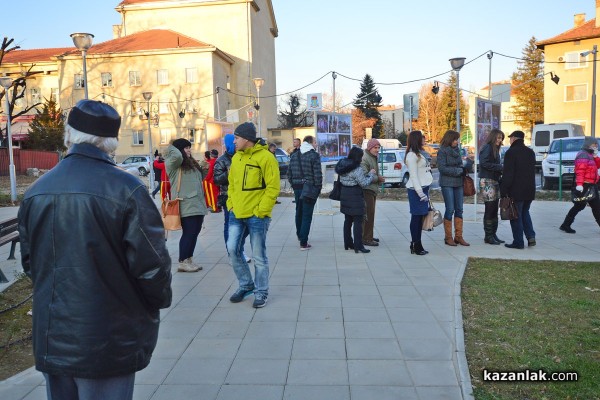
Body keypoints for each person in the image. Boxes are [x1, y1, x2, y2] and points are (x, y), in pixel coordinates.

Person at [17, 99, 172, 400]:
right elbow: (152, 268)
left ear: (69, 135)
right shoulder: (128, 190)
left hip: (55, 335)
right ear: (111, 142)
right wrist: (156, 302)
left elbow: (30, 263)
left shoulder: (37, 191)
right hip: (108, 336)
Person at [227, 122, 280, 308]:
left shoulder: (266, 157)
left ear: (247, 139)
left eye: (236, 138)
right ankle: (246, 284)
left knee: (258, 256)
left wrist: (261, 211)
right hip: (237, 213)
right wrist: (230, 204)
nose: (234, 141)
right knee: (233, 249)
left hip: (257, 215)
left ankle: (261, 291)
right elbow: (232, 184)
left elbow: (273, 187)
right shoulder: (236, 158)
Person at [165, 138, 208, 271]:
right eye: (186, 147)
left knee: (195, 232)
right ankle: (183, 262)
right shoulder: (174, 163)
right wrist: (173, 146)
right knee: (189, 233)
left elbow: (199, 179)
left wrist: (204, 169)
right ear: (178, 150)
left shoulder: (190, 163)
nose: (189, 150)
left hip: (197, 203)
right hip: (185, 203)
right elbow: (177, 155)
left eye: (189, 147)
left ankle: (189, 259)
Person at [213, 133, 252, 263]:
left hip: (244, 197)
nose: (236, 143)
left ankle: (238, 249)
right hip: (228, 197)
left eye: (237, 140)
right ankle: (233, 253)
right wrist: (228, 173)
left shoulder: (242, 156)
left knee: (246, 225)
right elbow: (216, 180)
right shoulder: (222, 160)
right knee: (231, 226)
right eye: (233, 141)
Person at [334, 146, 377, 253]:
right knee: (358, 220)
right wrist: (371, 174)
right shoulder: (356, 168)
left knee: (347, 220)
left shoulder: (343, 164)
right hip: (355, 196)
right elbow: (364, 183)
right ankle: (359, 246)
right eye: (361, 157)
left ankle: (348, 243)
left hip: (345, 194)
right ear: (358, 157)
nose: (362, 159)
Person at [500, 130, 536, 249]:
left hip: (516, 191)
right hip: (529, 190)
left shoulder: (511, 152)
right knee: (525, 213)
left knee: (515, 215)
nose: (509, 140)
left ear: (514, 139)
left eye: (510, 138)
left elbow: (508, 174)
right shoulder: (530, 152)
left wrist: (504, 190)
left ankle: (518, 242)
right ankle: (531, 237)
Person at [559, 137, 600, 233]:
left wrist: (595, 156)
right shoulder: (583, 155)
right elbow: (580, 171)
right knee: (582, 206)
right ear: (588, 145)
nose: (596, 146)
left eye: (597, 144)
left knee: (591, 207)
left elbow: (597, 165)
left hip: (591, 185)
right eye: (594, 144)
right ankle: (565, 225)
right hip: (585, 185)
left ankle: (565, 225)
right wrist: (579, 185)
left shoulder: (590, 155)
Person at [437, 130, 470, 246]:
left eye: (457, 139)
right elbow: (442, 168)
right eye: (455, 139)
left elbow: (460, 165)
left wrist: (466, 166)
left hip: (458, 183)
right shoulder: (442, 151)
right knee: (450, 209)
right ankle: (448, 237)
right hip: (447, 183)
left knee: (459, 209)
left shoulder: (457, 150)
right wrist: (458, 171)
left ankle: (459, 236)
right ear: (449, 139)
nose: (457, 141)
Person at [405, 130, 434, 255]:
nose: (424, 139)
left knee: (420, 217)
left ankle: (417, 243)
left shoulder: (418, 154)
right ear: (416, 140)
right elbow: (413, 176)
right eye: (422, 138)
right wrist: (420, 192)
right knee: (416, 218)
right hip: (416, 190)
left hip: (423, 188)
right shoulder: (411, 155)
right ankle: (415, 244)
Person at [479, 128, 505, 244]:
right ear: (493, 137)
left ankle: (493, 234)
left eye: (501, 138)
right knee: (490, 208)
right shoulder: (487, 147)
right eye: (499, 138)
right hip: (487, 181)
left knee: (495, 209)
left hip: (495, 181)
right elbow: (484, 163)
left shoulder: (496, 149)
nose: (500, 140)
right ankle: (488, 236)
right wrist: (500, 167)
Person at [296, 135, 322, 250]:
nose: (316, 144)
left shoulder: (296, 154)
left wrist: (294, 183)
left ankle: (300, 235)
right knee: (307, 215)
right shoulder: (314, 155)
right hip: (310, 188)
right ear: (310, 143)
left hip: (298, 188)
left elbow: (290, 172)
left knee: (299, 213)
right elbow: (317, 174)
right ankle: (303, 242)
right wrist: (318, 188)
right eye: (315, 142)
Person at [361, 138, 385, 247]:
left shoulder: (373, 157)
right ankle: (366, 238)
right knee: (368, 215)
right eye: (375, 147)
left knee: (370, 214)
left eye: (378, 147)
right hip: (367, 190)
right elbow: (364, 175)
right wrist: (378, 178)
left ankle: (368, 235)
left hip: (372, 189)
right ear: (370, 148)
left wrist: (377, 178)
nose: (377, 150)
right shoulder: (365, 158)